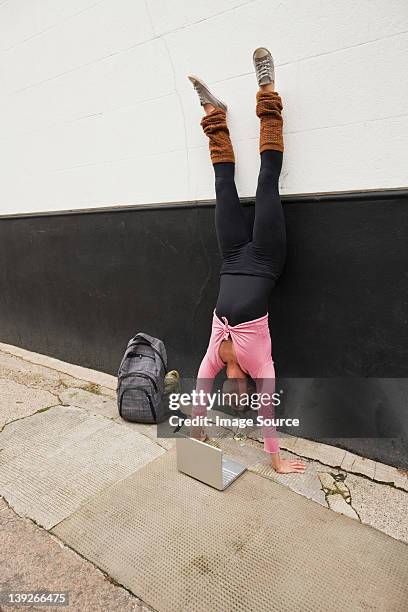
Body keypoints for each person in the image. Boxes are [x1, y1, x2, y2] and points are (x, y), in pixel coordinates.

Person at [188, 48, 305, 474]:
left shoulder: (214, 358)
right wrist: (275, 461)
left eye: (231, 397)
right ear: (250, 390)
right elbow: (269, 419)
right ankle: (267, 90)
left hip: (233, 256)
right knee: (266, 180)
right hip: (267, 260)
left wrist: (196, 439)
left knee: (223, 186)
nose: (236, 395)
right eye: (244, 398)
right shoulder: (262, 365)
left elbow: (199, 398)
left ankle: (213, 115)